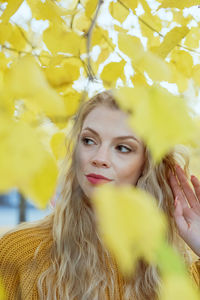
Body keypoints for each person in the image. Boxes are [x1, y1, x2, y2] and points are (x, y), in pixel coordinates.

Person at [0, 90, 200, 300]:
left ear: (146, 165)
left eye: (122, 148)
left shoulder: (176, 267)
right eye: (88, 140)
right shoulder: (19, 251)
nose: (99, 158)